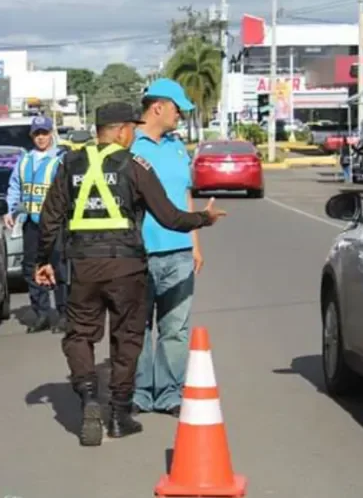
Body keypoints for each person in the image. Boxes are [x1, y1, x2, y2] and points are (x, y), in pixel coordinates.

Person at [34, 102, 227, 446]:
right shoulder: (135, 164)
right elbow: (169, 216)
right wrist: (203, 220)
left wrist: (43, 261)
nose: (134, 134)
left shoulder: (69, 164)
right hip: (127, 266)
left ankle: (90, 397)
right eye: (131, 129)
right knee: (127, 337)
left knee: (79, 335)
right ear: (121, 130)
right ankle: (120, 415)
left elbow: (50, 218)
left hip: (83, 266)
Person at [130, 78, 203, 417]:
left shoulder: (176, 146)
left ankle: (170, 393)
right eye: (177, 109)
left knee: (175, 328)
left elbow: (185, 196)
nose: (180, 116)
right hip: (138, 255)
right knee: (138, 326)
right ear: (157, 107)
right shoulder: (129, 145)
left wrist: (195, 244)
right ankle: (141, 392)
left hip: (179, 253)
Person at [5, 115, 69, 333]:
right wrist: (11, 209)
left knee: (60, 267)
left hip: (56, 224)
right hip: (32, 223)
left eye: (45, 133)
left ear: (51, 134)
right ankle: (41, 313)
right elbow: (15, 187)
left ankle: (63, 314)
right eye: (37, 134)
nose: (41, 138)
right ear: (32, 136)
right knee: (32, 269)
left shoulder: (61, 159)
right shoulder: (25, 161)